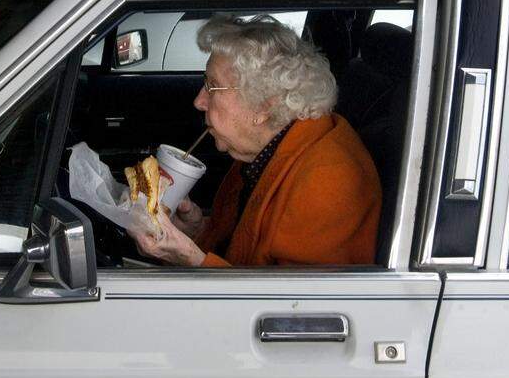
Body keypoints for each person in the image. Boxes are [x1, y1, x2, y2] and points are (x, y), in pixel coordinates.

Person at [130, 14, 381, 267]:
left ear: (263, 106)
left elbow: (294, 303)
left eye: (212, 86)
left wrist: (189, 258)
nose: (199, 101)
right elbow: (247, 250)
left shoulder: (327, 183)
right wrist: (199, 232)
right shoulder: (263, 148)